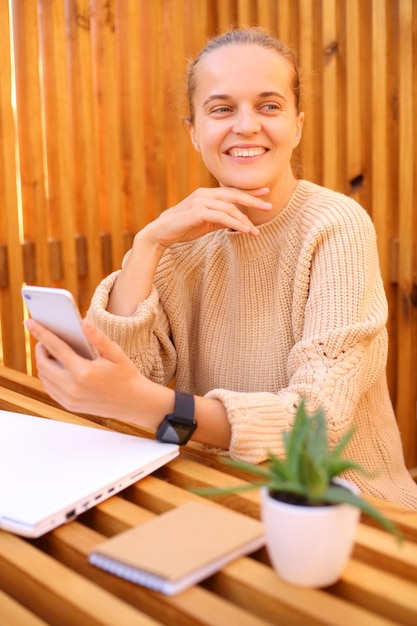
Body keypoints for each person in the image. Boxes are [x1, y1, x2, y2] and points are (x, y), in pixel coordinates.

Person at [26, 27, 417, 508]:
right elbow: (125, 391)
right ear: (194, 132)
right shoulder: (182, 241)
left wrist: (145, 403)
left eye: (269, 106)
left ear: (297, 125)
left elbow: (316, 423)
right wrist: (148, 243)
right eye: (222, 108)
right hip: (218, 495)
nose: (247, 125)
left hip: (345, 510)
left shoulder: (335, 226)